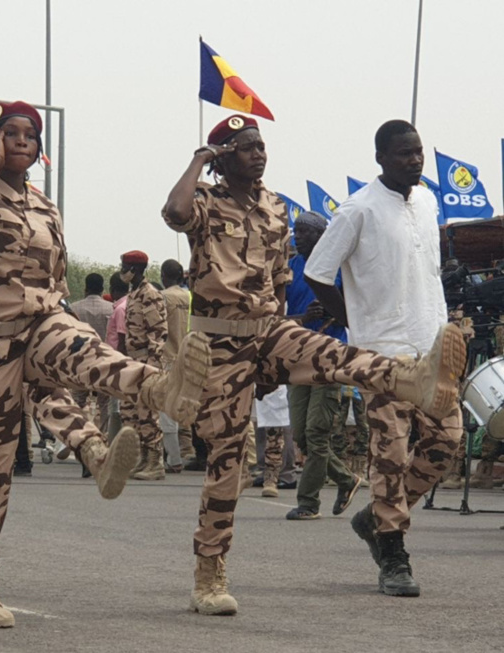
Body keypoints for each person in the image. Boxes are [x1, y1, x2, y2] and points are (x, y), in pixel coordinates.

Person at [162, 113, 465, 615]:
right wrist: (198, 161)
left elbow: (281, 278)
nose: (258, 153)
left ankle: (405, 375)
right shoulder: (205, 203)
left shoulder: (275, 207)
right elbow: (173, 212)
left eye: (261, 146)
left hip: (270, 332)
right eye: (244, 147)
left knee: (341, 358)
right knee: (228, 460)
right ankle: (209, 575)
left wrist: (274, 356)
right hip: (219, 345)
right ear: (220, 158)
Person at [0, 101, 210, 628]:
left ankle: (162, 388)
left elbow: (55, 274)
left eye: (29, 135)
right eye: (8, 133)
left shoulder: (44, 206)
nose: (21, 140)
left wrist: (59, 313)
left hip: (39, 322)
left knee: (87, 350)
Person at [304, 120, 463, 597]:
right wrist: (356, 324)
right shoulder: (358, 210)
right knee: (390, 454)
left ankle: (375, 517)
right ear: (380, 159)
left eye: (417, 152)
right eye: (403, 154)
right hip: (382, 357)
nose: (414, 160)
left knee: (446, 441)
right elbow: (317, 273)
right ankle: (393, 553)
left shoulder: (429, 201)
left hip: (431, 353)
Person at [283, 211, 361, 520]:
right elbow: (278, 316)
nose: (296, 236)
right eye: (296, 231)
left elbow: (350, 311)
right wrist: (303, 319)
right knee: (301, 434)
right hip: (297, 357)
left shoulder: (338, 266)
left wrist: (329, 310)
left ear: (321, 236)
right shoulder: (290, 267)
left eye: (303, 232)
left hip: (329, 358)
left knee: (316, 434)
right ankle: (346, 479)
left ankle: (308, 503)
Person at [119, 250, 168, 481]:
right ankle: (141, 459)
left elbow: (158, 332)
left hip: (147, 361)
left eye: (124, 266)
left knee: (147, 411)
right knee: (129, 412)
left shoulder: (149, 294)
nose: (122, 271)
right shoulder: (134, 293)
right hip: (133, 359)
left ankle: (155, 461)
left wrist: (152, 366)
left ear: (135, 270)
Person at [69, 273, 114, 434]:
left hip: (79, 361)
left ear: (85, 288)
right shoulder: (110, 308)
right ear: (103, 289)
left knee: (77, 400)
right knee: (104, 402)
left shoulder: (74, 308)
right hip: (103, 361)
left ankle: (76, 435)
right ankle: (103, 437)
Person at [160, 259, 192, 473]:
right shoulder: (190, 296)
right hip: (189, 357)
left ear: (164, 276)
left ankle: (174, 458)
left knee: (166, 409)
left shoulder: (163, 297)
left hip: (168, 357)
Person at [105, 272, 129, 439]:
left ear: (112, 290)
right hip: (119, 362)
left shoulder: (121, 309)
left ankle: (116, 442)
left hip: (117, 363)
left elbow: (121, 339)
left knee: (116, 409)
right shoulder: (125, 305)